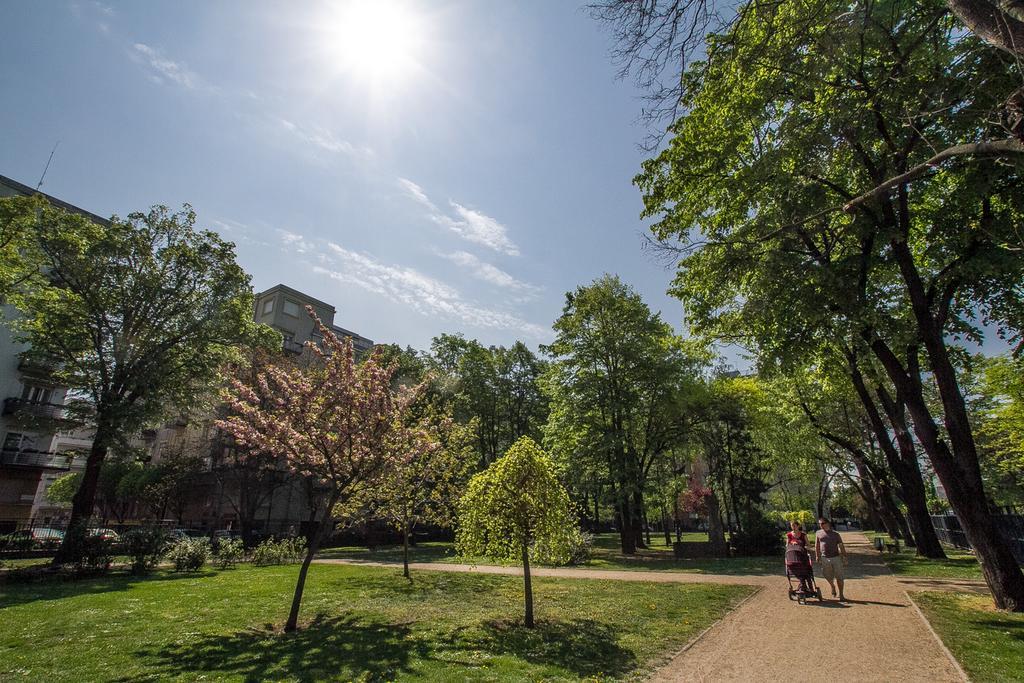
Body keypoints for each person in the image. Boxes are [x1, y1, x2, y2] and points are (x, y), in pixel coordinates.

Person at [815, 516, 848, 600]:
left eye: (822, 523)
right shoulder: (818, 533)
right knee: (827, 575)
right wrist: (817, 556)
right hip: (824, 558)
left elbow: (841, 546)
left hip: (836, 558)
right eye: (819, 524)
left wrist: (844, 556)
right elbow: (817, 546)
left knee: (839, 577)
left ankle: (841, 595)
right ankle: (832, 586)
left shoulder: (835, 534)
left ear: (827, 523)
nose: (820, 525)